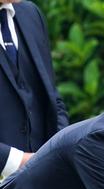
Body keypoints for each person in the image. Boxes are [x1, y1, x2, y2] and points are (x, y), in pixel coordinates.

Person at [0, 0, 69, 178]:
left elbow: (52, 98)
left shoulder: (31, 13)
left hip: (41, 187)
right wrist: (17, 161)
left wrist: (61, 149)